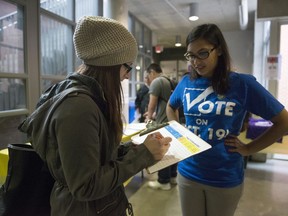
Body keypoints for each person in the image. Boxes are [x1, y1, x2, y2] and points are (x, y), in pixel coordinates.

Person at [18, 16, 172, 216]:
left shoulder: (87, 97)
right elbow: (86, 186)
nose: (128, 75)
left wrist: (135, 148)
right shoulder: (79, 107)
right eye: (128, 66)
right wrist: (142, 155)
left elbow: (96, 158)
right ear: (110, 64)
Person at [166, 23, 288, 216]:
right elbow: (171, 106)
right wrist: (177, 131)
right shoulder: (187, 82)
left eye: (203, 53)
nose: (196, 61)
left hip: (224, 177)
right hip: (188, 171)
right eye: (191, 55)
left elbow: (284, 121)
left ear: (219, 50)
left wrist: (249, 149)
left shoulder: (242, 84)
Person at [145, 63, 178, 190]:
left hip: (162, 124)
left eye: (148, 75)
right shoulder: (171, 81)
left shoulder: (157, 82)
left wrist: (148, 118)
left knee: (163, 152)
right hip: (173, 122)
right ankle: (173, 177)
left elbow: (151, 104)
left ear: (152, 72)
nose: (149, 78)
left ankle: (163, 181)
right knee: (173, 151)